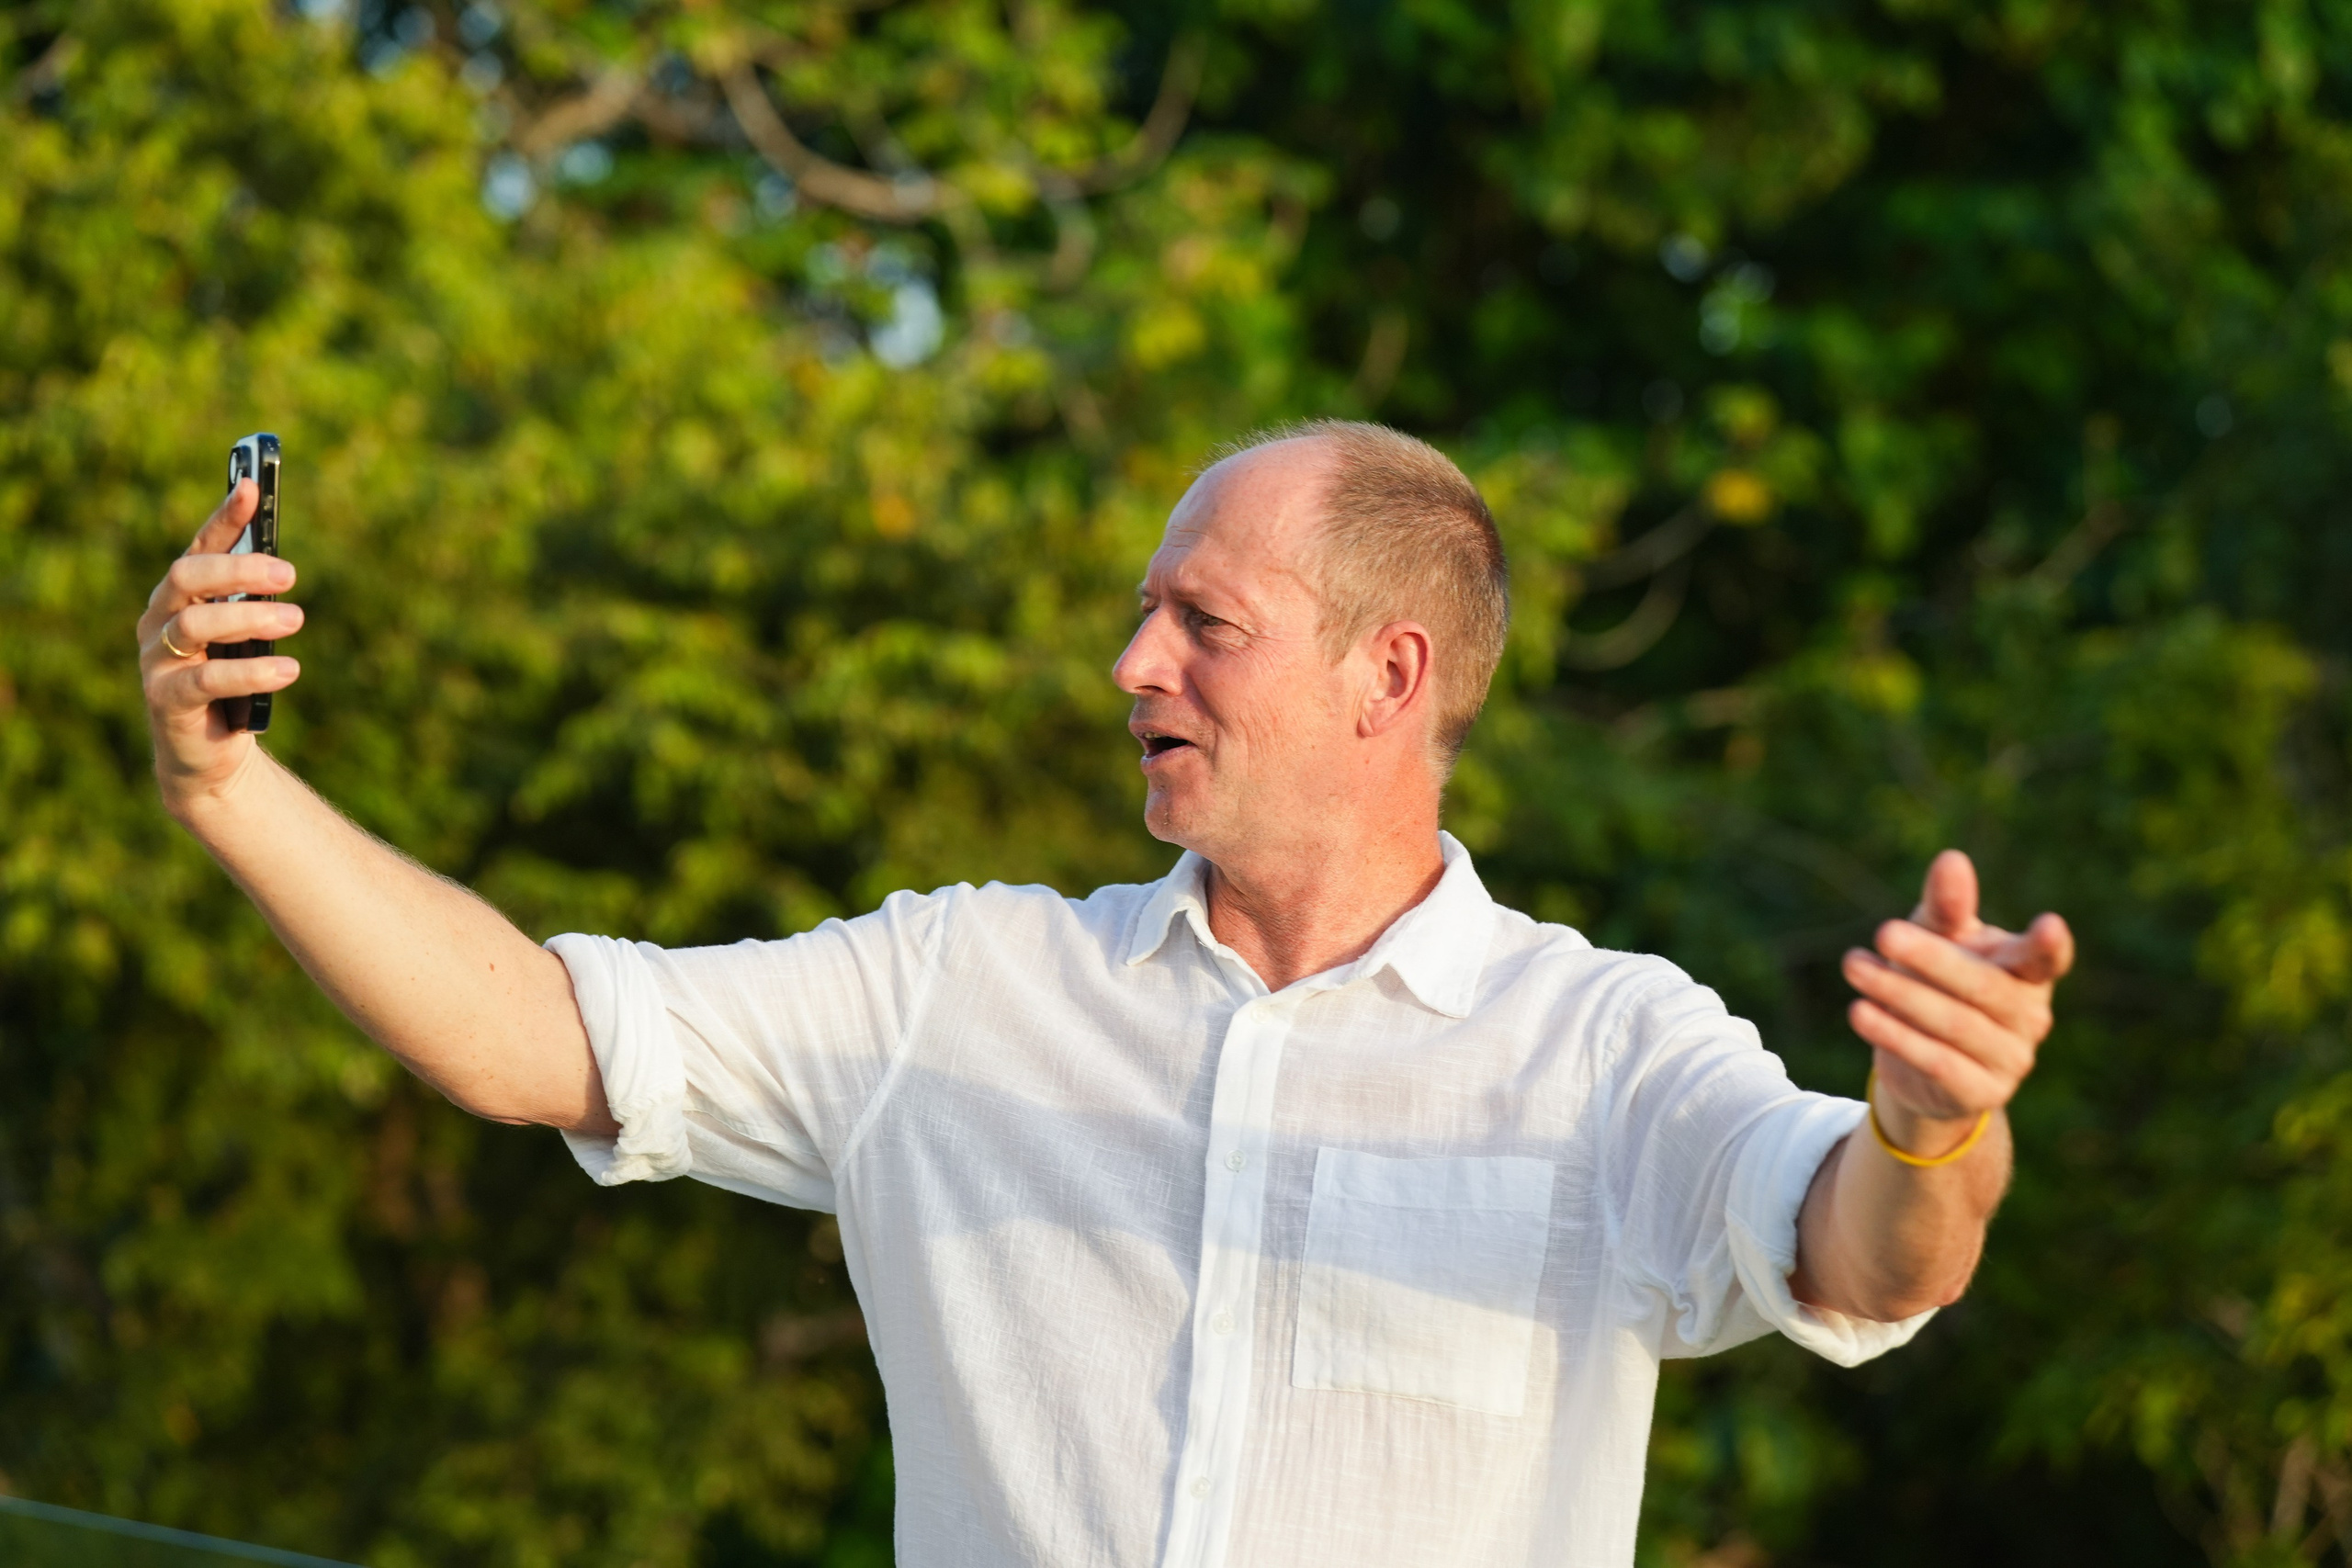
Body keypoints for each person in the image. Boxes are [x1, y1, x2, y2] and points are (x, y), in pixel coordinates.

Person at [137, 420, 2074, 1568]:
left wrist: (1933, 1121)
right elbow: (534, 1032)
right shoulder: (955, 985)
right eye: (1148, 610)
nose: (1130, 658)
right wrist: (229, 784)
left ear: (1385, 679)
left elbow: (1866, 1250)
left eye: (1201, 623)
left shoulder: (1600, 1046)